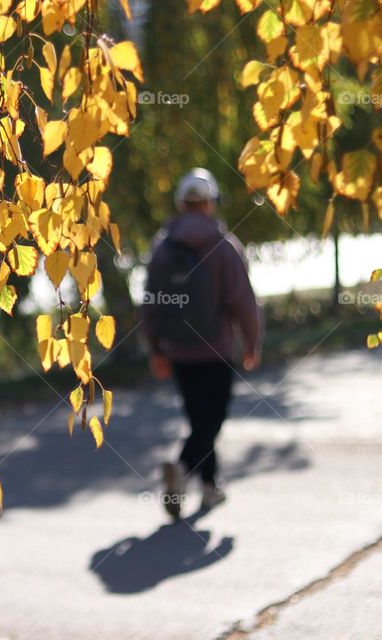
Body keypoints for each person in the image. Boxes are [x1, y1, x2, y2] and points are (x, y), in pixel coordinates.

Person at [141, 168, 262, 519]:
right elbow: (243, 301)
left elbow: (150, 304)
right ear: (210, 203)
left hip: (178, 349)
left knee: (198, 418)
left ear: (181, 204)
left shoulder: (163, 248)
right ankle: (183, 467)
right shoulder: (224, 246)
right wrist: (252, 343)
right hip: (217, 348)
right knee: (213, 419)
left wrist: (156, 350)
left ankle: (209, 487)